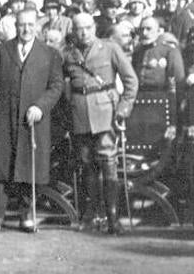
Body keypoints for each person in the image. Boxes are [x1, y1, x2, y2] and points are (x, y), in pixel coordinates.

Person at [0, 9, 64, 235]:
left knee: (29, 167)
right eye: (22, 25)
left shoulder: (49, 54)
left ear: (37, 27)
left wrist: (40, 107)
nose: (26, 29)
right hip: (3, 120)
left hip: (32, 122)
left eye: (30, 25)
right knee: (0, 168)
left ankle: (26, 216)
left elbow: (56, 86)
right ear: (16, 26)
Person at [63, 13, 138, 235]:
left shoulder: (110, 48)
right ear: (73, 31)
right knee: (86, 163)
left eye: (87, 27)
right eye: (78, 28)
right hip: (80, 114)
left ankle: (113, 217)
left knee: (108, 162)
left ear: (94, 27)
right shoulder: (68, 55)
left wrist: (123, 109)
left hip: (106, 113)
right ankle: (92, 215)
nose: (83, 32)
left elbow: (131, 81)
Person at [131, 17, 184, 140]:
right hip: (141, 101)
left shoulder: (169, 51)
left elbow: (178, 81)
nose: (144, 33)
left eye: (149, 29)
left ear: (159, 31)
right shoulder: (138, 52)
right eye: (142, 29)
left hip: (163, 101)